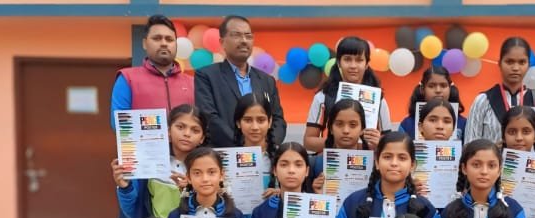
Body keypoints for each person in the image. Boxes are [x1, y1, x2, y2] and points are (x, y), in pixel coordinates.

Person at [110, 104, 206, 218]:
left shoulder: (206, 169)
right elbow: (132, 211)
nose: (187, 133)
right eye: (180, 127)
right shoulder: (148, 164)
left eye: (195, 130)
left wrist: (191, 190)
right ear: (168, 131)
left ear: (202, 138)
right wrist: (124, 186)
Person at [194, 15, 286, 147]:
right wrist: (243, 146)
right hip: (223, 153)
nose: (244, 40)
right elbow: (209, 118)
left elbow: (278, 120)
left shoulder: (267, 80)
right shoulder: (207, 76)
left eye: (248, 36)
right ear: (222, 42)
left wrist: (267, 145)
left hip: (263, 153)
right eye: (236, 35)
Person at [303, 36, 392, 152]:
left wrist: (379, 143)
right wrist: (338, 144)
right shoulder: (323, 97)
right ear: (338, 62)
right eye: (347, 59)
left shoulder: (378, 100)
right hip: (333, 160)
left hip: (367, 161)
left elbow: (389, 143)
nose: (353, 66)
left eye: (359, 60)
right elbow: (308, 141)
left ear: (366, 64)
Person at [110, 14, 194, 127]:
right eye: (157, 38)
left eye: (169, 39)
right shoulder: (127, 78)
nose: (164, 43)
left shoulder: (193, 83)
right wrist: (158, 126)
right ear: (145, 44)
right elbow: (121, 124)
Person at [463, 37, 535, 145]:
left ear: (528, 65)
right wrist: (491, 150)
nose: (515, 68)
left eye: (522, 62)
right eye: (509, 62)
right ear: (499, 64)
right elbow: (469, 146)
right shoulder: (483, 101)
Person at [167, 147, 245, 218]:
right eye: (197, 173)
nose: (205, 179)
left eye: (211, 172)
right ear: (189, 177)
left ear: (221, 175)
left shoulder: (236, 216)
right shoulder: (175, 216)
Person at [399, 66, 465, 141]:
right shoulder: (407, 124)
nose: (438, 90)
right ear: (422, 89)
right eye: (431, 86)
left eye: (443, 86)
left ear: (450, 88)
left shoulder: (463, 123)